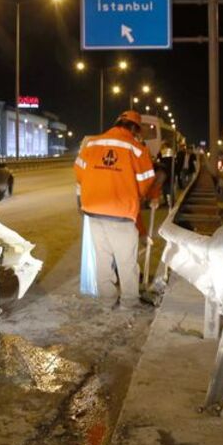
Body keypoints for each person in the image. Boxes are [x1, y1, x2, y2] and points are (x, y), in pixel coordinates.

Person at [75, 110, 158, 309]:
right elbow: (146, 182)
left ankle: (107, 301)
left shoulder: (93, 143)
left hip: (94, 211)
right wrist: (133, 192)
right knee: (126, 261)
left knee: (103, 260)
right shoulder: (137, 149)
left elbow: (79, 173)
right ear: (135, 128)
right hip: (121, 212)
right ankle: (129, 303)